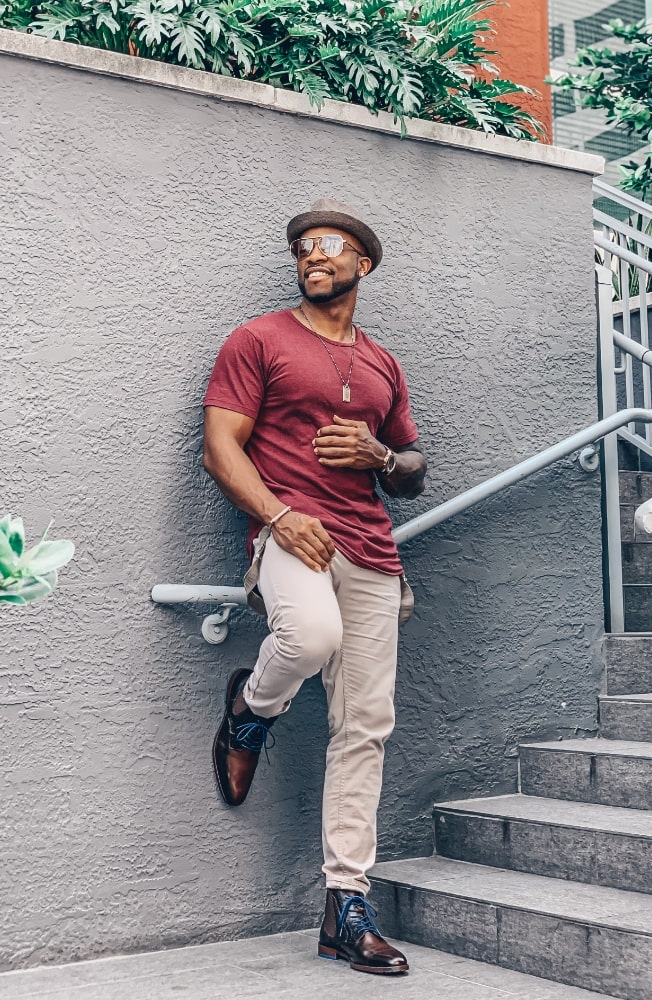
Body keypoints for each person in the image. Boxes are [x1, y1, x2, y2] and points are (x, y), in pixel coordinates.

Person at [202, 198, 427, 976]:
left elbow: (412, 471)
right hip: (290, 536)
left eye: (330, 247)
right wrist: (277, 514)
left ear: (361, 264)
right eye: (302, 248)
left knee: (364, 725)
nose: (312, 256)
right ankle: (249, 710)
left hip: (369, 550)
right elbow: (219, 448)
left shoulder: (382, 364)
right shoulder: (257, 339)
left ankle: (344, 909)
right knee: (309, 635)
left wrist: (379, 455)